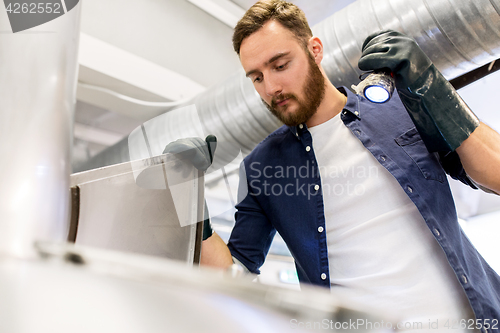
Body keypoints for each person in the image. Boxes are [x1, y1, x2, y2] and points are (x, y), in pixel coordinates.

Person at [165, 0, 500, 330]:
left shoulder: (399, 106)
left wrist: (431, 87)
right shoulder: (262, 168)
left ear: (315, 49)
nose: (271, 88)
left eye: (280, 65)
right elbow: (233, 275)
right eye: (256, 78)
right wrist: (188, 200)